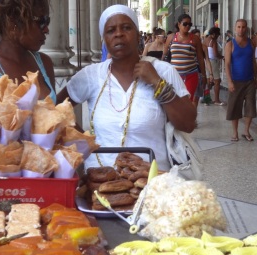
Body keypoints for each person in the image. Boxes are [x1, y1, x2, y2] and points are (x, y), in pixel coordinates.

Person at [56, 4, 196, 172]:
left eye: (126, 28)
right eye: (110, 31)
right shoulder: (91, 75)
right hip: (101, 181)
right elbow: (54, 110)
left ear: (138, 36)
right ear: (104, 40)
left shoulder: (163, 71)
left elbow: (188, 123)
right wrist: (84, 142)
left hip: (153, 182)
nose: (118, 34)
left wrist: (158, 83)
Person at [224, 19, 257, 142]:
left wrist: (256, 77)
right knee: (235, 107)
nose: (241, 29)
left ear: (246, 28)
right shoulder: (230, 45)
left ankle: (246, 131)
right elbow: (227, 64)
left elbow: (253, 61)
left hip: (249, 81)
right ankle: (235, 133)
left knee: (250, 107)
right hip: (236, 81)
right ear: (235, 27)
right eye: (238, 27)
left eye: (243, 27)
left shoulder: (251, 43)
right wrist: (230, 81)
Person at [162, 14, 207, 101]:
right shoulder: (171, 37)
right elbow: (164, 55)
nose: (187, 26)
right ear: (179, 24)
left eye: (189, 24)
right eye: (185, 24)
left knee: (187, 100)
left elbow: (200, 58)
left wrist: (204, 76)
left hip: (191, 74)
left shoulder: (195, 39)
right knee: (175, 100)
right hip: (174, 75)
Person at [191, 29, 213, 109]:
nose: (198, 38)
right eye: (196, 36)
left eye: (199, 36)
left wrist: (210, 73)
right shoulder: (189, 45)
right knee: (190, 97)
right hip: (190, 72)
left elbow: (207, 60)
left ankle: (193, 116)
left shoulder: (203, 47)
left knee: (196, 97)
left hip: (199, 73)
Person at [203, 27, 226, 105]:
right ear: (214, 34)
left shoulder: (205, 40)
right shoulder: (213, 41)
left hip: (206, 61)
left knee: (208, 80)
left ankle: (207, 99)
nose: (217, 37)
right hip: (213, 62)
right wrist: (222, 57)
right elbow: (215, 54)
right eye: (217, 35)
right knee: (217, 81)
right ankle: (216, 100)